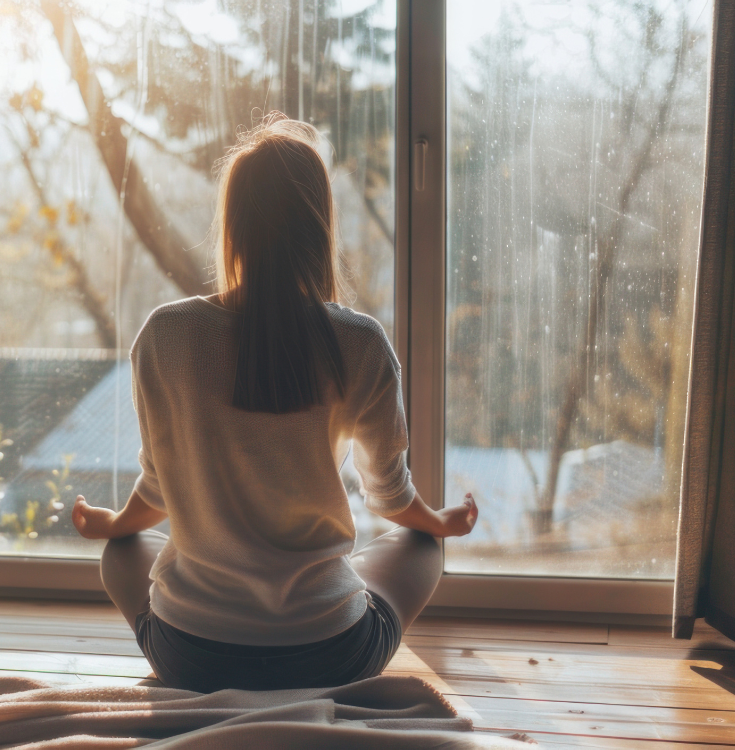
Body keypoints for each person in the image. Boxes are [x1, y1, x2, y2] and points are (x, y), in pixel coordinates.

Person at [71, 112, 478, 693]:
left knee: (120, 554)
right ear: (320, 227)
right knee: (421, 547)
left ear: (232, 225)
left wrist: (112, 523)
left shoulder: (165, 334)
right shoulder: (360, 341)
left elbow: (160, 486)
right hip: (329, 656)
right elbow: (389, 496)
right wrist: (438, 522)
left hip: (192, 659)